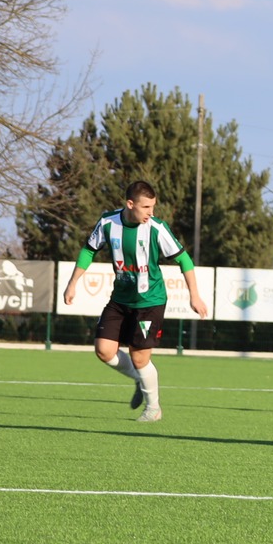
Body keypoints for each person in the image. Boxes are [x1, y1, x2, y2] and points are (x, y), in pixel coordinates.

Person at [64, 180, 209, 423]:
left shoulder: (156, 228)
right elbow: (89, 250)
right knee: (103, 350)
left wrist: (194, 295)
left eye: (153, 207)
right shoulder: (108, 222)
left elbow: (184, 260)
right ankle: (139, 377)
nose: (151, 212)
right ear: (130, 204)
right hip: (120, 299)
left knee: (140, 357)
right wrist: (73, 283)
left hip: (150, 300)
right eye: (146, 207)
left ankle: (153, 409)